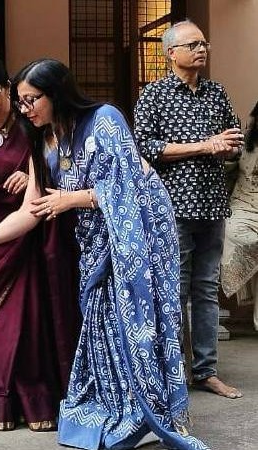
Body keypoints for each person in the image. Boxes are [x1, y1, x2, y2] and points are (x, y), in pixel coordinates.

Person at [0, 58, 208, 449]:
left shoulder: (105, 120)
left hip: (138, 233)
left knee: (132, 318)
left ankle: (147, 409)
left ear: (55, 94)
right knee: (100, 318)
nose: (24, 110)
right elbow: (32, 209)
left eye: (30, 100)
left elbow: (128, 188)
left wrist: (72, 198)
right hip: (95, 239)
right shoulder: (43, 143)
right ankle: (119, 403)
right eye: (21, 101)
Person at [0, 55, 80, 432]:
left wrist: (31, 174)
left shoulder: (34, 116)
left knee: (44, 313)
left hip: (42, 225)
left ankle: (47, 399)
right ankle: (2, 401)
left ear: (7, 87)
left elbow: (57, 159)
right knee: (6, 321)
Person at [134, 19, 243, 399]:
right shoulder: (153, 96)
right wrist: (203, 145)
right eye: (193, 44)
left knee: (207, 291)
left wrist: (227, 146)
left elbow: (233, 138)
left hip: (213, 205)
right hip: (172, 209)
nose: (202, 49)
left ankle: (206, 371)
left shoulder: (216, 92)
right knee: (173, 291)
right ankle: (172, 370)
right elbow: (146, 148)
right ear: (171, 53)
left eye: (204, 44)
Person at [221, 101, 258, 330]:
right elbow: (227, 172)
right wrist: (227, 156)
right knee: (233, 233)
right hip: (243, 208)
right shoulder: (245, 143)